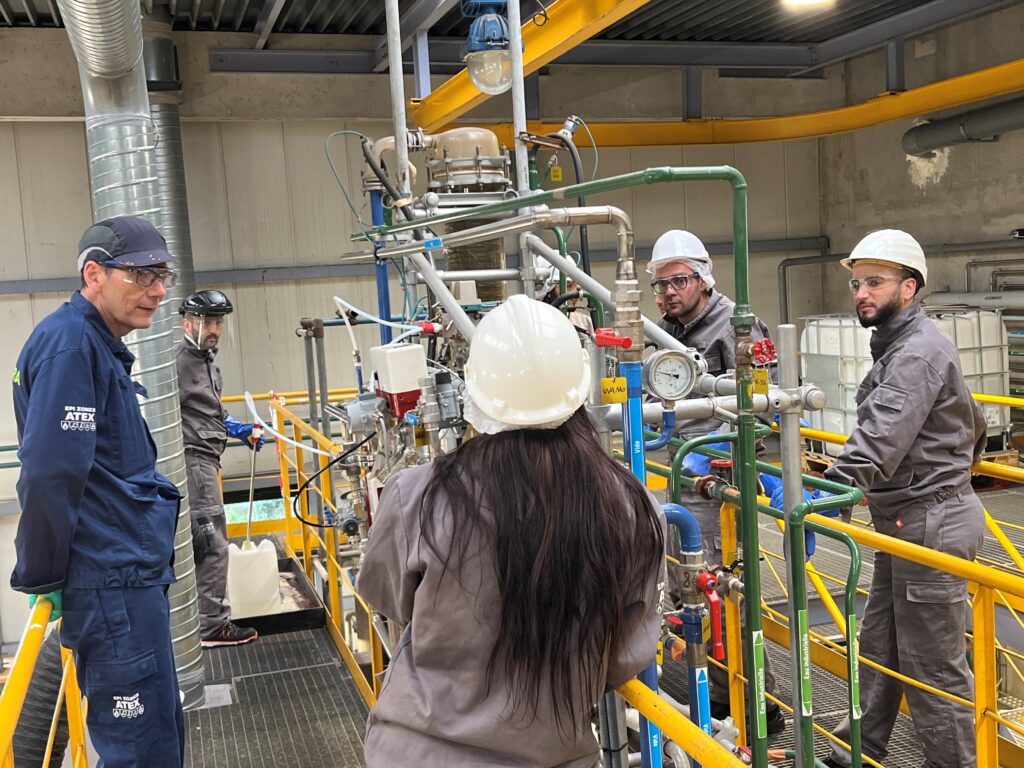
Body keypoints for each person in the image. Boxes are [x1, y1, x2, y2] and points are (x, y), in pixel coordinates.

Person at [356, 294, 666, 767]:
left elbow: (387, 599)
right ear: (581, 391)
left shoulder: (417, 494)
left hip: (419, 754)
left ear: (475, 393)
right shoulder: (633, 508)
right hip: (554, 754)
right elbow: (626, 654)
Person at [11, 216, 185, 767]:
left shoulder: (92, 343)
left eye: (163, 275)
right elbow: (48, 471)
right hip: (111, 581)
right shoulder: (70, 347)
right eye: (141, 275)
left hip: (124, 574)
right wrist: (44, 574)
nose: (157, 291)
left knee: (158, 729)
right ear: (94, 274)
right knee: (139, 749)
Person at [822, 230, 986, 768]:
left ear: (909, 287)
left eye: (874, 282)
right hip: (907, 518)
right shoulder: (901, 343)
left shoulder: (916, 352)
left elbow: (879, 439)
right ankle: (857, 748)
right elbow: (975, 426)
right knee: (882, 645)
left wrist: (823, 500)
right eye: (856, 283)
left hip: (929, 522)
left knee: (933, 670)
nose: (861, 293)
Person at [648, 228, 783, 732]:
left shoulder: (736, 327)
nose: (668, 293)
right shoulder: (668, 328)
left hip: (713, 485)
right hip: (678, 475)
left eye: (679, 281)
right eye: (660, 285)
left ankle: (749, 705)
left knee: (722, 594)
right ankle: (717, 692)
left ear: (704, 278)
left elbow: (766, 404)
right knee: (689, 592)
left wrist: (717, 454)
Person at [175, 289, 263, 647]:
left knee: (206, 543)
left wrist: (238, 428)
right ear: (187, 323)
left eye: (217, 322)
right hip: (193, 462)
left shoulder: (207, 360)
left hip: (208, 459)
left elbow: (211, 411)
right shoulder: (177, 362)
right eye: (206, 322)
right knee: (212, 544)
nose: (213, 329)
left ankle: (204, 621)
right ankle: (212, 627)